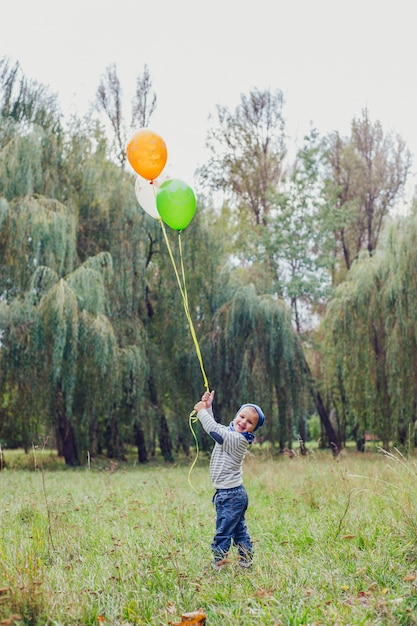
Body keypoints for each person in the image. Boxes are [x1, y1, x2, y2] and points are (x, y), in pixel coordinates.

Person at [193, 389, 265, 570]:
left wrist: (201, 412)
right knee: (239, 531)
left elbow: (215, 432)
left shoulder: (238, 440)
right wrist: (208, 408)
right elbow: (217, 427)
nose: (243, 422)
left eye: (250, 423)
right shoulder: (230, 432)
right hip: (231, 494)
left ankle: (218, 563)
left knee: (223, 532)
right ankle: (246, 559)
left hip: (231, 495)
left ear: (253, 430)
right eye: (241, 417)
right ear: (235, 416)